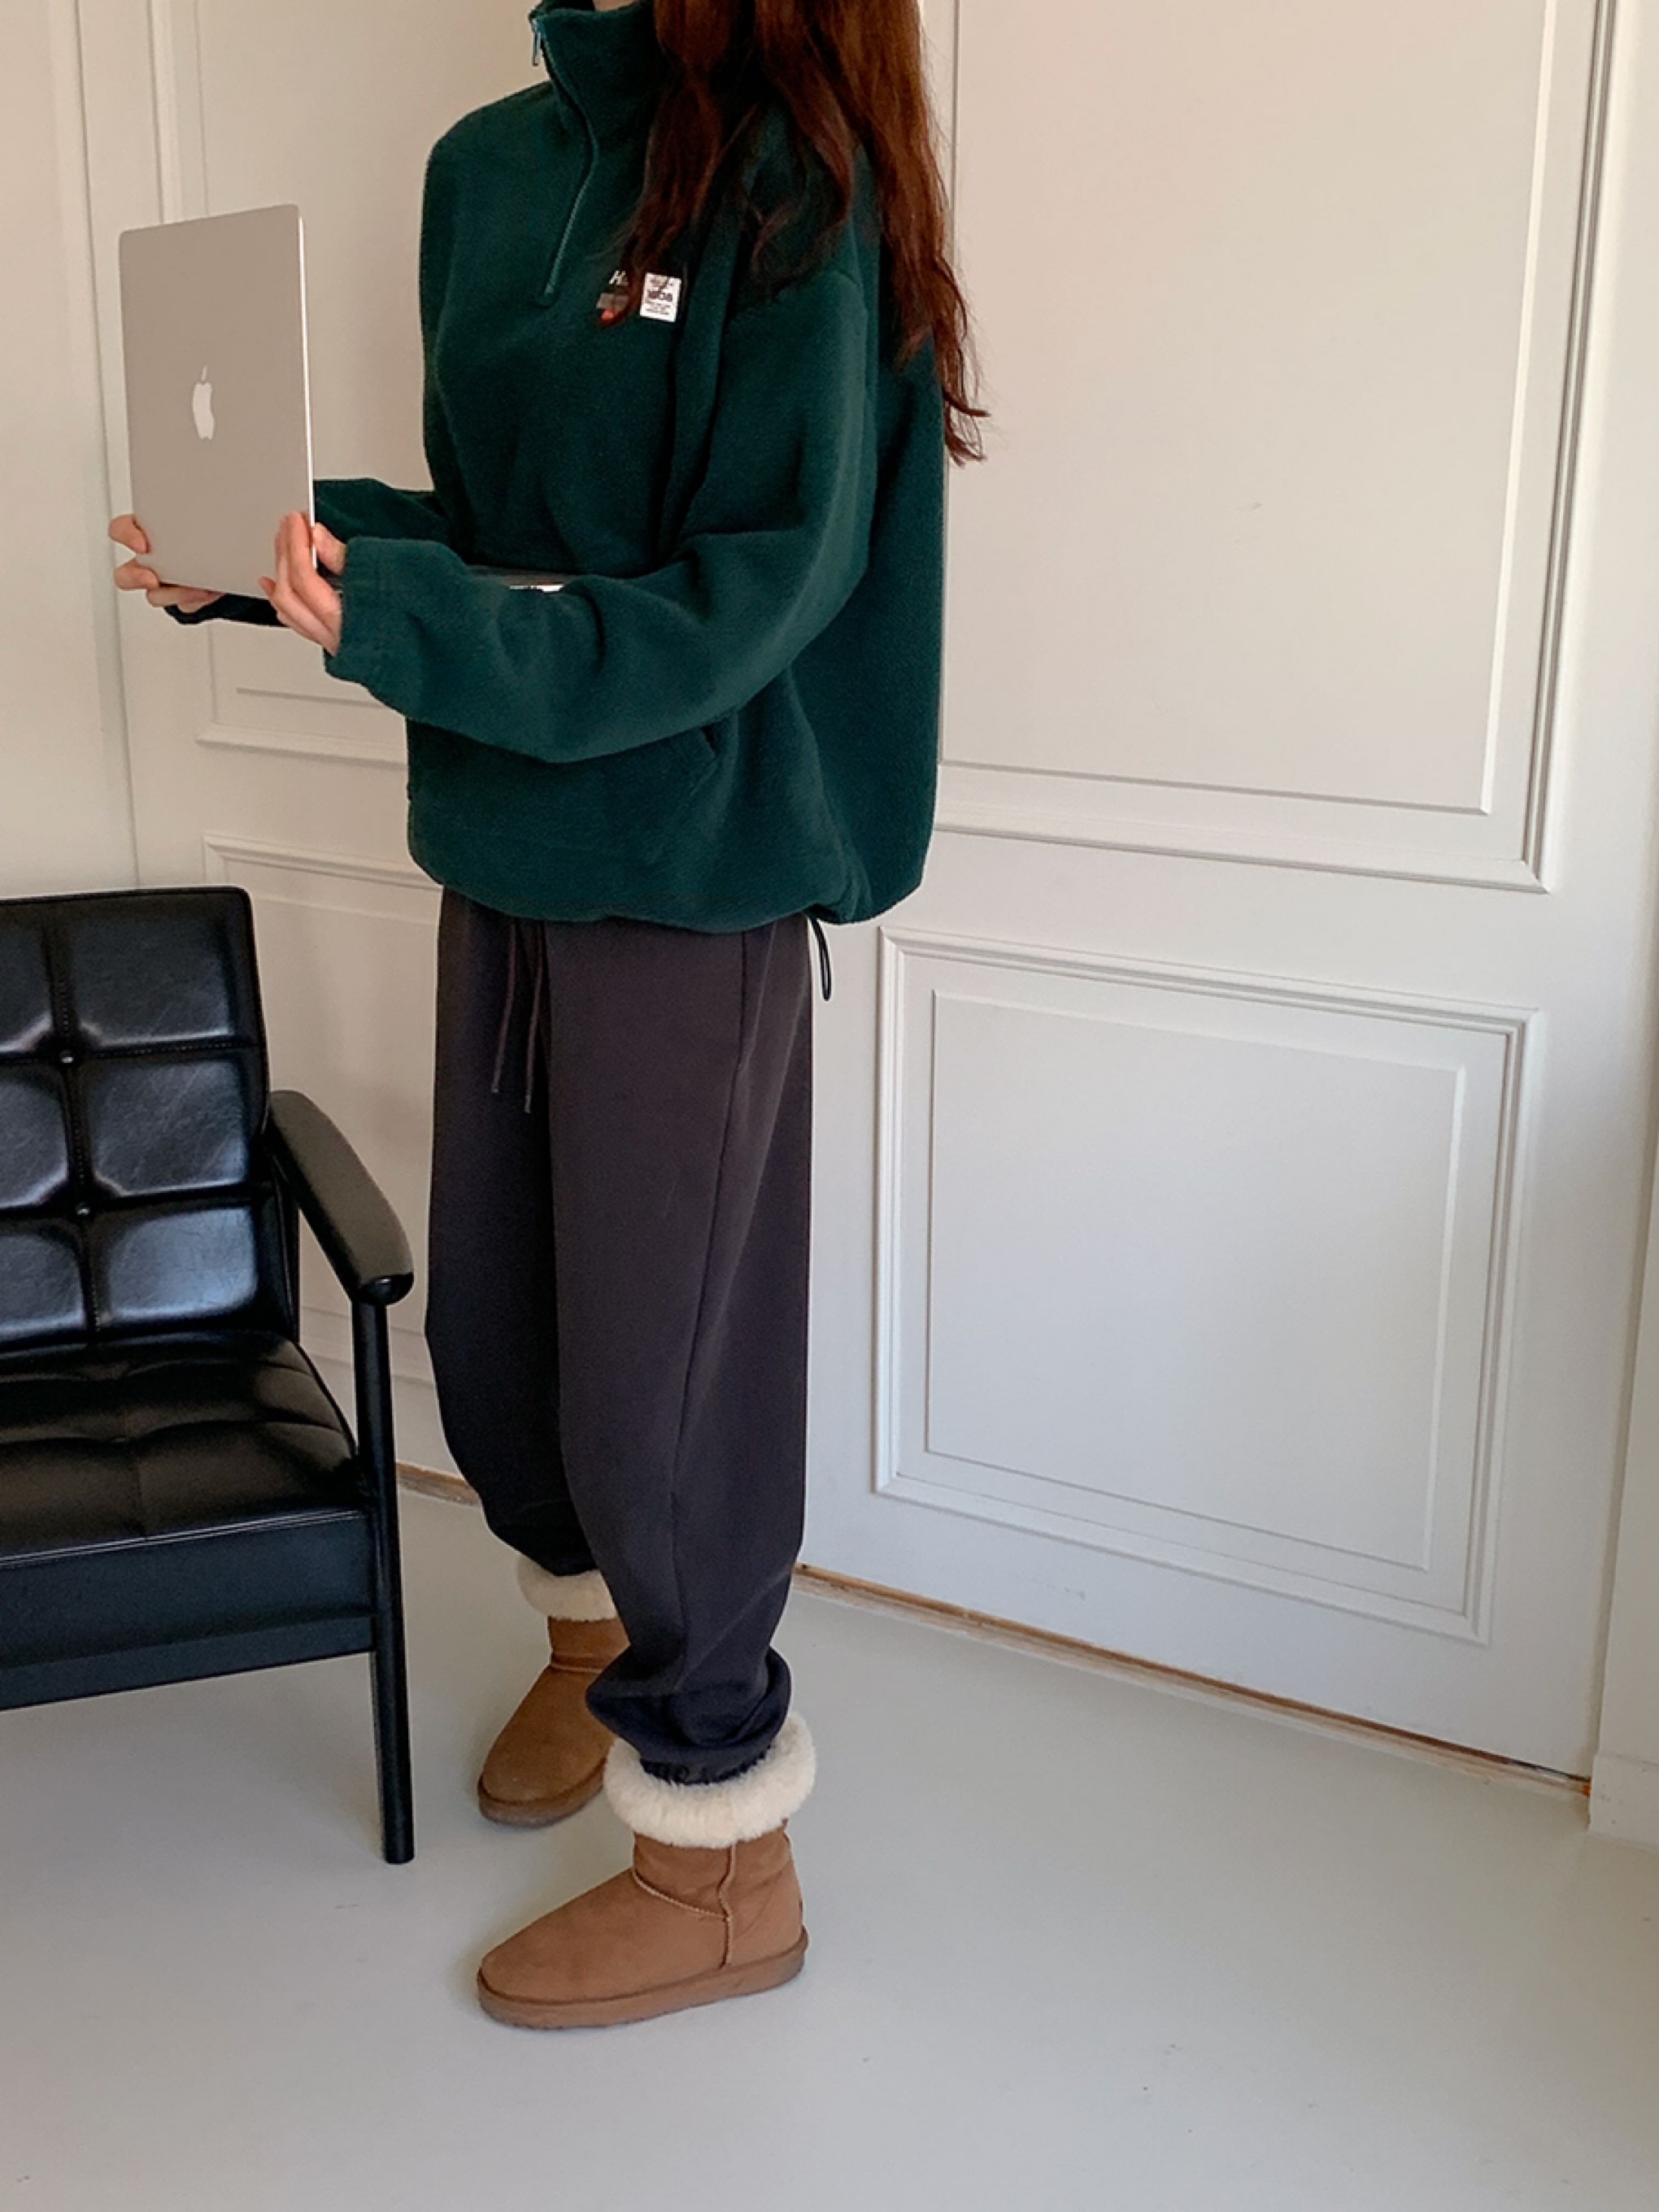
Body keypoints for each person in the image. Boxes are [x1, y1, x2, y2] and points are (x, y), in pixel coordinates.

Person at [110, 0, 981, 2031]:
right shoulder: (485, 172)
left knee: (668, 1402)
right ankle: (591, 1649)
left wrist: (411, 621)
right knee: (505, 1340)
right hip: (504, 839)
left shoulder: (797, 177)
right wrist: (272, 554)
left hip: (696, 864)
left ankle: (723, 1853)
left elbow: (750, 594)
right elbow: (506, 542)